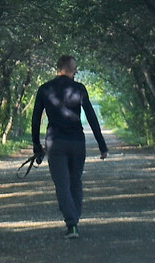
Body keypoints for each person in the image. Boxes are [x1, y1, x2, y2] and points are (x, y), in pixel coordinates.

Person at [31, 54, 108, 238]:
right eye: (75, 69)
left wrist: (36, 146)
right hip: (77, 142)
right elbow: (91, 116)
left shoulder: (45, 89)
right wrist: (101, 145)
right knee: (75, 182)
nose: (76, 72)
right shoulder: (79, 88)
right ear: (68, 69)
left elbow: (35, 120)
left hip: (55, 142)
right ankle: (74, 220)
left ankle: (72, 223)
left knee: (62, 185)